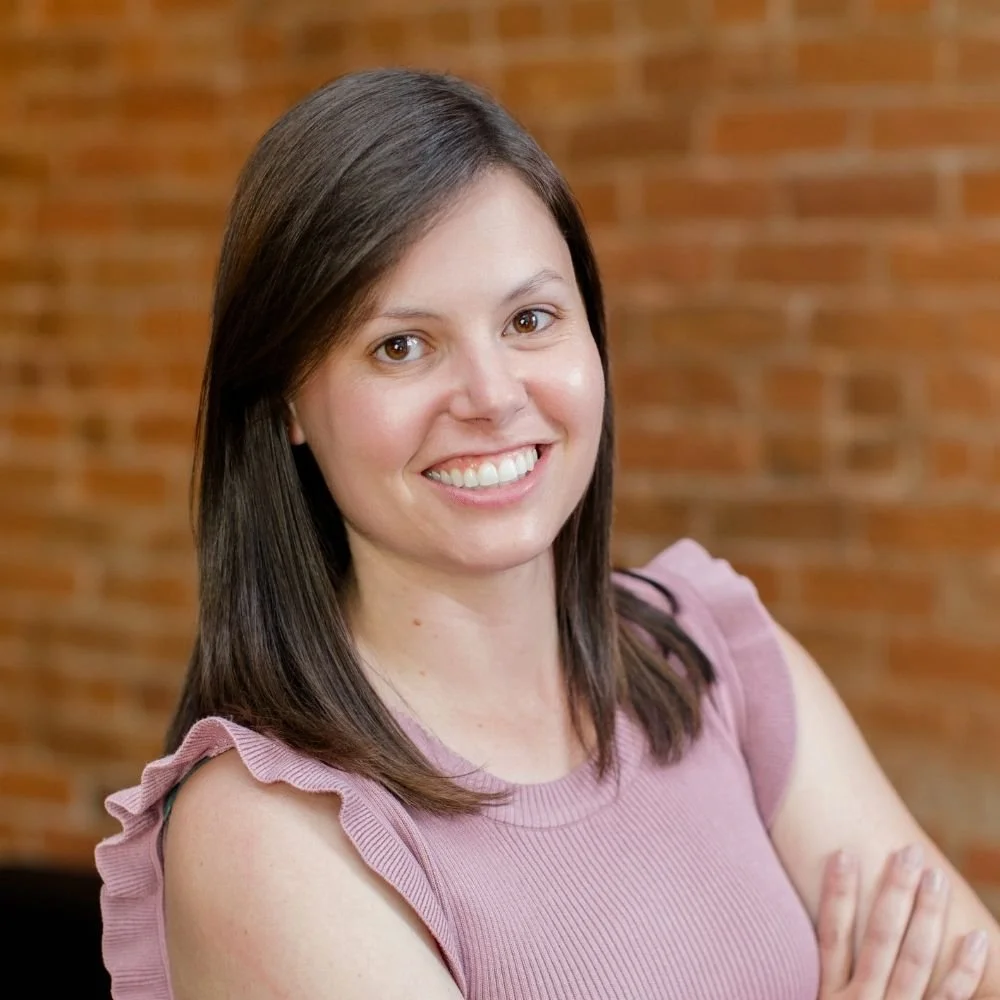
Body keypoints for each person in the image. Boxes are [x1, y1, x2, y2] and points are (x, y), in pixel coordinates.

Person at [95, 68, 1000, 1000]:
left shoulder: (711, 656)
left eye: (530, 320)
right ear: (288, 400)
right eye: (401, 345)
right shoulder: (271, 827)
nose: (492, 397)